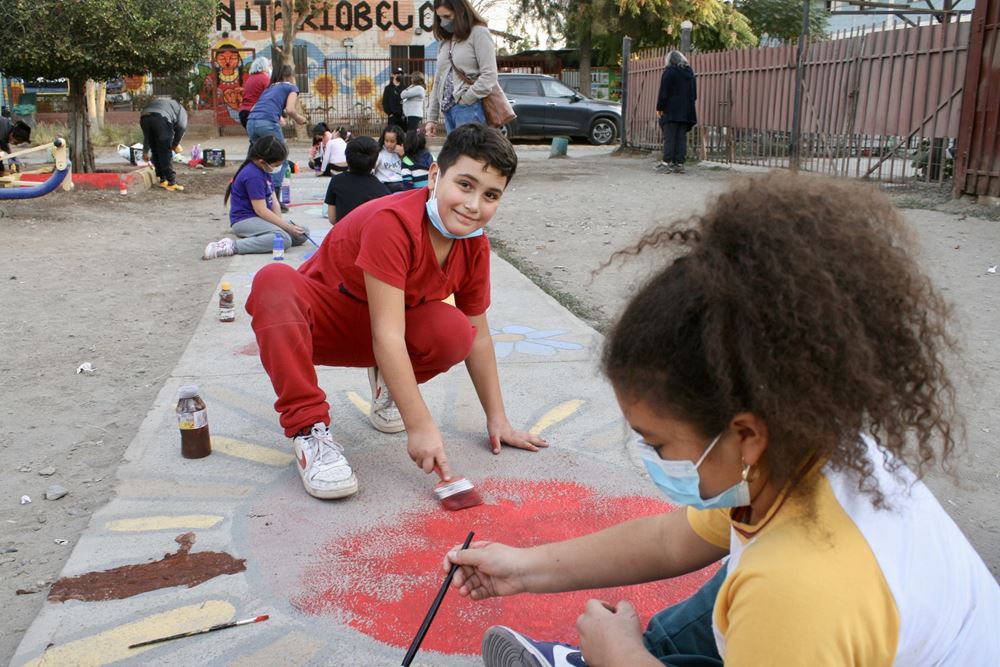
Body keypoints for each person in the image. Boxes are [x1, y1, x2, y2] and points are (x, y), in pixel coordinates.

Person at [444, 172, 1000, 666]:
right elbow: (668, 542)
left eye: (658, 445)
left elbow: (783, 597)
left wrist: (620, 656)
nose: (653, 461)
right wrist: (520, 568)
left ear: (747, 434)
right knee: (732, 576)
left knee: (747, 587)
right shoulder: (798, 448)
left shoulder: (797, 590)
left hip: (795, 623)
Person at [245, 124, 547, 500]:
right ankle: (310, 432)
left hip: (385, 331)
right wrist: (419, 424)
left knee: (454, 331)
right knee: (273, 281)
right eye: (465, 185)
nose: (473, 205)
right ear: (435, 175)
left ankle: (387, 386)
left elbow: (479, 335)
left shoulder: (473, 246)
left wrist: (498, 419)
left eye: (490, 195)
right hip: (323, 325)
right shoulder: (394, 223)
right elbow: (386, 335)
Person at [203, 135, 308, 259]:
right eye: (275, 165)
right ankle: (232, 246)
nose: (277, 168)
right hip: (245, 221)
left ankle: (262, 236)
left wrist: (281, 225)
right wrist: (285, 228)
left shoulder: (264, 170)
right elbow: (261, 210)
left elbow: (273, 200)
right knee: (283, 240)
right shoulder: (253, 175)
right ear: (262, 161)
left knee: (303, 232)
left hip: (260, 219)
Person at [424, 0, 498, 137]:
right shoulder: (445, 42)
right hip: (448, 111)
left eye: (447, 16)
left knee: (470, 155)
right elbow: (438, 81)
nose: (443, 22)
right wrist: (431, 118)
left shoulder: (479, 33)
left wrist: (466, 99)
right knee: (457, 157)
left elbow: (490, 75)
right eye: (439, 18)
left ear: (460, 12)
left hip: (469, 108)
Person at [246, 64, 309, 210]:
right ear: (290, 76)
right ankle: (274, 200)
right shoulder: (291, 87)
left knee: (260, 161)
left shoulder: (269, 88)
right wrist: (300, 119)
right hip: (267, 123)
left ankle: (256, 195)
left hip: (251, 123)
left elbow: (257, 108)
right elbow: (290, 109)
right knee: (281, 159)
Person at [324, 136, 391, 225]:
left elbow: (332, 218)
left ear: (347, 160)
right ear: (374, 163)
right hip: (368, 236)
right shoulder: (383, 191)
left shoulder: (336, 181)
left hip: (343, 235)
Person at [655, 50, 697, 174]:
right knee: (681, 138)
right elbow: (694, 95)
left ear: (669, 60)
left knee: (670, 137)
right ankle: (679, 164)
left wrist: (660, 107)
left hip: (671, 110)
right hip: (686, 111)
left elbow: (664, 92)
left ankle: (666, 163)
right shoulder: (690, 73)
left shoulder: (669, 72)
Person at [139, 96, 187, 192]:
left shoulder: (166, 104)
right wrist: (175, 144)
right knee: (165, 151)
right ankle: (171, 182)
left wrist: (145, 151)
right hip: (161, 119)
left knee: (155, 150)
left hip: (144, 117)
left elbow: (147, 137)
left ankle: (162, 179)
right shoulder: (181, 109)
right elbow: (181, 127)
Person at [239, 56, 272, 129]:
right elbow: (271, 96)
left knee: (256, 139)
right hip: (255, 114)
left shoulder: (250, 79)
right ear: (264, 66)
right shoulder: (264, 78)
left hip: (243, 113)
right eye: (269, 65)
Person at [375, 125, 405, 192]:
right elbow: (372, 167)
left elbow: (412, 167)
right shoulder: (380, 152)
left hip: (401, 183)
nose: (388, 144)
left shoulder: (403, 151)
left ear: (399, 141)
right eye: (386, 141)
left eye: (392, 141)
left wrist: (403, 155)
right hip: (384, 184)